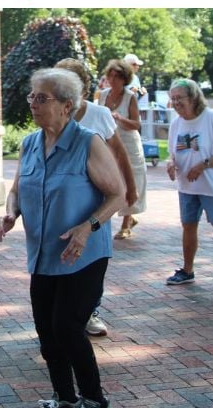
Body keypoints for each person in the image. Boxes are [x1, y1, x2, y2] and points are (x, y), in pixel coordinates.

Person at [0, 68, 125, 408]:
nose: (33, 105)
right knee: (47, 333)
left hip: (84, 255)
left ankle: (94, 399)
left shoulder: (87, 142)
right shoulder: (29, 143)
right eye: (32, 97)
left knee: (67, 327)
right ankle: (65, 398)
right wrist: (11, 212)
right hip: (42, 255)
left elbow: (118, 195)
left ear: (67, 106)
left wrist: (87, 227)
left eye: (42, 98)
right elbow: (16, 190)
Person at [53, 57, 137, 339]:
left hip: (98, 201)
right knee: (63, 255)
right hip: (63, 203)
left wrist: (130, 188)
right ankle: (61, 312)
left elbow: (120, 154)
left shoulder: (98, 115)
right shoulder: (52, 113)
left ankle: (90, 310)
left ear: (81, 87)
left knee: (94, 256)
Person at [163, 79, 213, 286]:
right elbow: (172, 154)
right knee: (188, 225)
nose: (175, 103)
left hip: (212, 185)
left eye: (179, 98)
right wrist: (171, 164)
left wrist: (203, 165)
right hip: (187, 187)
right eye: (172, 99)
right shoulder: (176, 123)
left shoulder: (211, 119)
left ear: (193, 97)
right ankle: (187, 270)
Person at [100, 59, 147, 240]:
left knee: (131, 181)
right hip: (110, 143)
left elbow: (136, 124)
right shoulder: (103, 95)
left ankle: (126, 223)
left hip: (128, 143)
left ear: (124, 78)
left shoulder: (130, 97)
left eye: (117, 76)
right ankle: (106, 218)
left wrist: (119, 118)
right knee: (112, 180)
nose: (112, 79)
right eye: (110, 75)